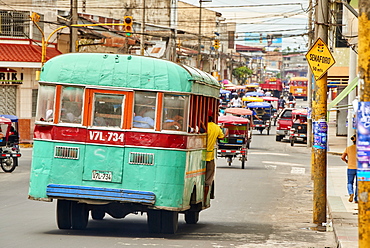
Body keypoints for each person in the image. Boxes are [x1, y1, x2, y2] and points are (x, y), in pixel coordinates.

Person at [341, 134, 358, 203]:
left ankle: (351, 193)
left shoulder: (348, 148)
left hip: (350, 167)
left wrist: (347, 161)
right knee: (358, 184)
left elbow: (342, 157)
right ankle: (356, 199)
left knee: (350, 182)